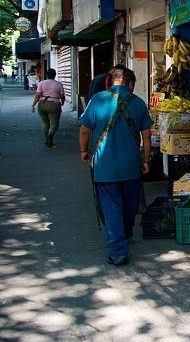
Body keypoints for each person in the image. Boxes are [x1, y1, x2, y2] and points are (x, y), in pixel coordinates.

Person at [79, 66, 153, 266]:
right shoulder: (138, 103)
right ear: (131, 83)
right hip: (131, 166)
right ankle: (124, 235)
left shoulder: (97, 100)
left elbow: (85, 130)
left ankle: (118, 250)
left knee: (111, 208)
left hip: (105, 166)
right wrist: (145, 160)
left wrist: (84, 151)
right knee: (129, 206)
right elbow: (147, 137)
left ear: (111, 81)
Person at [31, 68, 66, 147]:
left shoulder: (41, 83)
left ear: (47, 75)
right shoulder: (58, 84)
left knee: (45, 123)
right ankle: (50, 136)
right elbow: (62, 96)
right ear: (55, 75)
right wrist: (62, 102)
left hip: (42, 103)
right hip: (54, 104)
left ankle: (47, 139)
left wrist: (33, 105)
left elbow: (38, 95)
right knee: (54, 124)